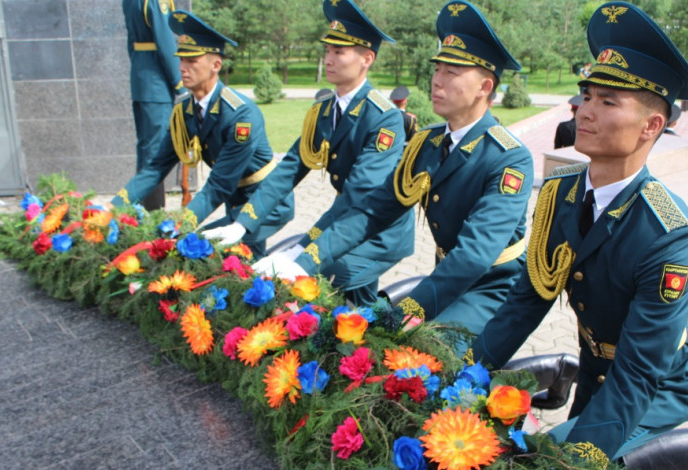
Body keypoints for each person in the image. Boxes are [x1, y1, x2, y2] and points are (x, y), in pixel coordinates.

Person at [472, 1, 688, 462]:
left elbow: (638, 374)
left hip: (659, 382)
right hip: (596, 367)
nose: (585, 111)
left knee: (562, 455)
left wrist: (572, 456)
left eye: (608, 102)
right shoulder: (559, 193)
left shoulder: (669, 235)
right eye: (587, 97)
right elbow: (525, 302)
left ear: (651, 126)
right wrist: (466, 369)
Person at [261, 0, 534, 349]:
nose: (437, 80)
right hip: (445, 277)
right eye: (437, 69)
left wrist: (402, 314)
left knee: (422, 360)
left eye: (452, 73)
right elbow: (373, 211)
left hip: (491, 288)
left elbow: (473, 256)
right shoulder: (428, 143)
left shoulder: (509, 159)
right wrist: (303, 261)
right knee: (364, 345)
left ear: (484, 87)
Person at [206, 0, 412, 307]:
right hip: (345, 219)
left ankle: (382, 327)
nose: (328, 59)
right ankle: (369, 328)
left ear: (367, 59)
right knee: (354, 303)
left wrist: (303, 250)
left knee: (323, 279)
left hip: (378, 229)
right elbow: (289, 168)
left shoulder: (384, 118)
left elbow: (359, 196)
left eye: (339, 52)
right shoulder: (324, 111)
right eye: (327, 50)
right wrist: (243, 223)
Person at [111, 11, 294, 258]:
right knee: (244, 264)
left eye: (192, 61)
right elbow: (155, 167)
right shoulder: (184, 112)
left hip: (266, 202)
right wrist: (114, 207)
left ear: (215, 65)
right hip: (235, 198)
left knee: (198, 248)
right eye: (181, 60)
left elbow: (218, 184)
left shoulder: (241, 115)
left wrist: (181, 224)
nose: (182, 68)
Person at [122, 0, 187, 211]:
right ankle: (152, 211)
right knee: (155, 153)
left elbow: (131, 42)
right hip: (157, 82)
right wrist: (179, 83)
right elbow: (166, 43)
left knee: (145, 149)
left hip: (141, 78)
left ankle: (141, 208)